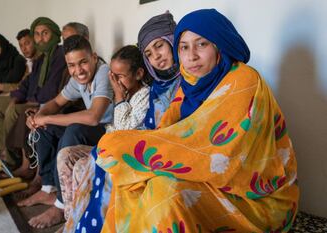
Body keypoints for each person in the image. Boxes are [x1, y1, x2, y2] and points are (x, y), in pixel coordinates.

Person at [94, 9, 299, 232]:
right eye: (184, 47)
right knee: (132, 181)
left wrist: (129, 148)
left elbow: (217, 153)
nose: (191, 56)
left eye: (202, 44)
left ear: (219, 45)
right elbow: (167, 132)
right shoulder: (188, 85)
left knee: (164, 190)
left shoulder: (244, 80)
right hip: (209, 178)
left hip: (254, 196)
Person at [63, 12, 182, 232]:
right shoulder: (157, 84)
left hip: (157, 149)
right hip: (137, 143)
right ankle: (76, 222)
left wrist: (117, 95)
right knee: (93, 157)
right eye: (149, 52)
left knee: (102, 158)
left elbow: (129, 128)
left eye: (160, 46)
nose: (156, 56)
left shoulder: (150, 91)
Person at [18, 35, 114, 229]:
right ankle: (48, 187)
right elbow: (55, 102)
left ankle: (61, 205)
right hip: (95, 130)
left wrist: (47, 118)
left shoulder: (103, 72)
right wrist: (39, 116)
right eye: (71, 65)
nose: (78, 70)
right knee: (47, 128)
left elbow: (94, 117)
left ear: (94, 57)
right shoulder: (78, 79)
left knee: (74, 129)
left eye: (83, 62)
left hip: (111, 131)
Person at [57, 45, 150, 232]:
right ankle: (71, 219)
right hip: (108, 146)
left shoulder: (143, 95)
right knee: (66, 155)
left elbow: (123, 131)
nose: (114, 81)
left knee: (81, 167)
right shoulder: (125, 92)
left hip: (124, 154)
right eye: (112, 76)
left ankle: (84, 221)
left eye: (120, 76)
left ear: (139, 74)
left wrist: (117, 96)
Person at [0, 28, 42, 167]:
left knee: (13, 110)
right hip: (23, 97)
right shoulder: (29, 62)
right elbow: (22, 85)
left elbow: (36, 88)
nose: (24, 48)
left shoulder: (42, 60)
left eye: (27, 43)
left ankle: (12, 156)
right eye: (21, 45)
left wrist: (4, 90)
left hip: (35, 101)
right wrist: (13, 97)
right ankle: (1, 150)